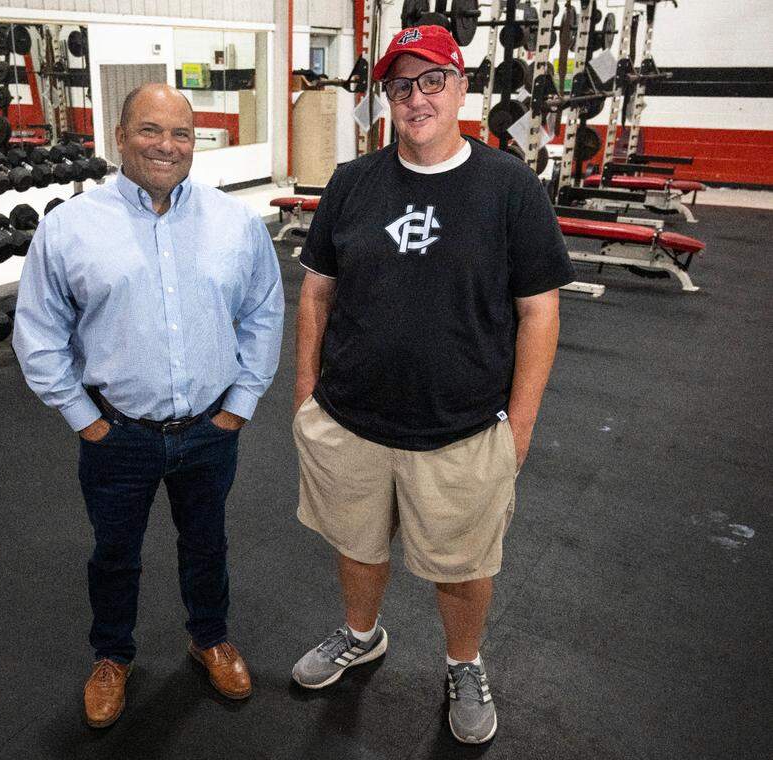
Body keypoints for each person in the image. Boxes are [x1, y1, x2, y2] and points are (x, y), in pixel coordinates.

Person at [289, 25, 575, 745]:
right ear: (385, 96)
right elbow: (317, 293)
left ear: (461, 86)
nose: (415, 99)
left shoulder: (510, 187)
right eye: (400, 85)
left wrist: (522, 426)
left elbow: (540, 311)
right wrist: (303, 396)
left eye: (431, 81)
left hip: (463, 425)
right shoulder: (353, 184)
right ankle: (360, 635)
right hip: (351, 417)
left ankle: (463, 661)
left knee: (463, 564)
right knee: (358, 544)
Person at [13, 83, 284, 729]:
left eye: (181, 133)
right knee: (114, 552)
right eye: (150, 130)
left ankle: (209, 638)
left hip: (209, 429)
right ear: (120, 136)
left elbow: (264, 314)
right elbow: (38, 331)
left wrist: (240, 404)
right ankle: (112, 657)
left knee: (207, 543)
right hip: (119, 433)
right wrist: (86, 419)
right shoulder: (70, 227)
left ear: (197, 142)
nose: (167, 145)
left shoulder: (235, 223)